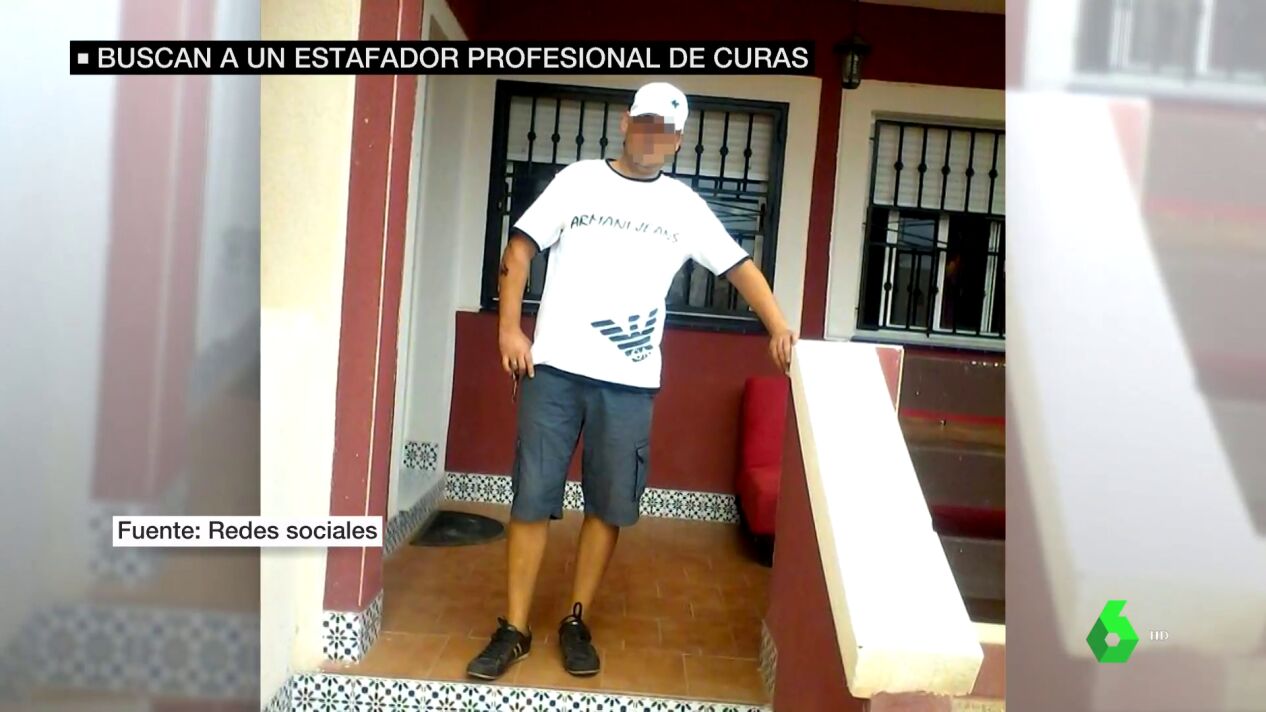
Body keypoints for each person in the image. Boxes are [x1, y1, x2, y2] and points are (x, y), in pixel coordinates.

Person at [466, 81, 796, 681]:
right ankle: (514, 628)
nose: (652, 136)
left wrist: (778, 327)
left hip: (629, 380)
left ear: (678, 140)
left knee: (609, 504)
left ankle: (576, 620)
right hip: (554, 370)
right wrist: (509, 330)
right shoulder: (578, 182)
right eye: (645, 122)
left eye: (665, 129)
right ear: (625, 123)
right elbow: (520, 249)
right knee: (531, 498)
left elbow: (739, 267)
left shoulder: (683, 207)